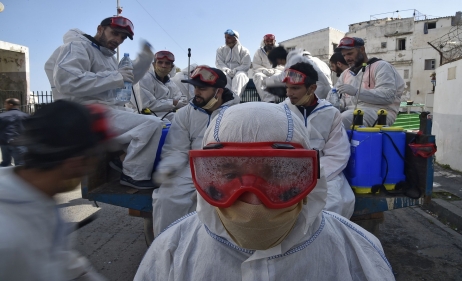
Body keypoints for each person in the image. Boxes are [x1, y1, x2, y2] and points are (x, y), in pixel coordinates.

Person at [134, 102, 395, 281]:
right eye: (228, 174)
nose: (253, 199)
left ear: (309, 174)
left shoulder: (358, 251)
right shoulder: (170, 250)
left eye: (277, 171)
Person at [44, 16, 163, 189]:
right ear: (100, 29)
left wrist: (144, 61)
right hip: (83, 114)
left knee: (163, 124)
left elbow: (125, 80)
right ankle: (133, 175)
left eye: (122, 37)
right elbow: (66, 80)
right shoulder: (78, 46)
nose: (118, 40)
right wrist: (116, 76)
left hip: (105, 112)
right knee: (152, 125)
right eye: (114, 33)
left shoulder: (107, 57)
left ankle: (120, 160)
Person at [0, 100, 109, 281]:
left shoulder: (38, 199)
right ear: (75, 163)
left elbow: (58, 260)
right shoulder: (9, 238)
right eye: (93, 161)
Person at [152, 66, 240, 237]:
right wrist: (169, 167)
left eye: (202, 88)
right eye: (195, 87)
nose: (196, 92)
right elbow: (176, 148)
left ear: (218, 91)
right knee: (165, 198)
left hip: (228, 170)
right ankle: (165, 249)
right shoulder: (184, 114)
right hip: (192, 167)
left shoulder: (237, 114)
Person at [281, 62, 354, 218]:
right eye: (287, 88)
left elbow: (337, 154)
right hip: (287, 171)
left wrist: (312, 174)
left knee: (334, 202)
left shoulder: (330, 113)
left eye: (295, 88)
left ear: (312, 88)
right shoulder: (280, 112)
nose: (289, 93)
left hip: (324, 171)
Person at [334, 37, 404, 128]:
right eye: (344, 55)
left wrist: (357, 92)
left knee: (344, 119)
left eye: (350, 53)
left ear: (362, 49)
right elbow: (337, 96)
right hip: (350, 111)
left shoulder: (381, 66)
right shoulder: (346, 74)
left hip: (380, 112)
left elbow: (388, 96)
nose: (347, 58)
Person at [128, 50, 188, 120]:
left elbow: (183, 99)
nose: (163, 66)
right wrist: (173, 102)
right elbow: (148, 104)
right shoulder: (144, 79)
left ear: (171, 67)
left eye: (167, 63)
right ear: (154, 64)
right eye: (160, 62)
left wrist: (167, 103)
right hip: (144, 117)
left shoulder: (171, 84)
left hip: (166, 115)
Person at [265, 46, 333, 99]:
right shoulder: (316, 60)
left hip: (317, 93)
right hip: (329, 93)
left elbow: (284, 78)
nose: (280, 65)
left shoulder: (295, 59)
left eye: (278, 63)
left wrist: (266, 81)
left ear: (278, 59)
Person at [215, 29, 251, 96]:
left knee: (240, 76)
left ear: (235, 38)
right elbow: (219, 63)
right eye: (225, 37)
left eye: (229, 38)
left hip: (239, 72)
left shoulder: (244, 50)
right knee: (223, 76)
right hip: (226, 72)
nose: (226, 40)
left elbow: (246, 64)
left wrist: (236, 70)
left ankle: (234, 99)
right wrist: (226, 70)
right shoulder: (220, 49)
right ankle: (226, 100)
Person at [251, 34, 283, 102]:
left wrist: (274, 70)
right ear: (264, 42)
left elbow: (283, 65)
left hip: (276, 72)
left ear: (274, 41)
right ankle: (268, 101)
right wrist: (264, 70)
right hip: (263, 72)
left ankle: (273, 101)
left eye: (271, 41)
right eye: (267, 41)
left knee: (276, 77)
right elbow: (256, 65)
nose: (269, 43)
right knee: (258, 76)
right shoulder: (258, 52)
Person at [0, 98, 29, 166]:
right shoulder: (26, 116)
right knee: (21, 164)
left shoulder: (2, 116)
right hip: (20, 142)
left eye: (6, 104)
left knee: (5, 163)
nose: (5, 106)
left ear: (10, 105)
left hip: (4, 142)